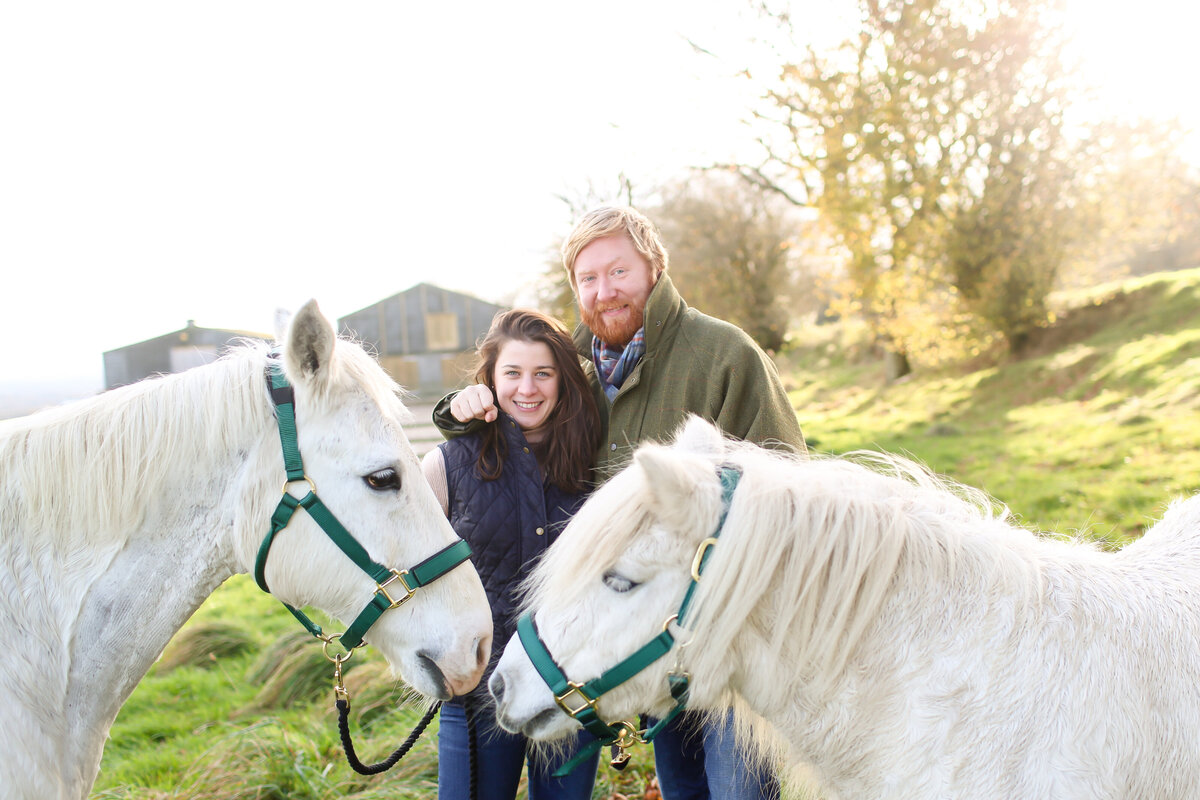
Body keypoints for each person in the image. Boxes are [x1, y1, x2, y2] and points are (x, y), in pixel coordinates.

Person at [437, 206, 806, 800]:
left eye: (619, 272)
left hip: (727, 630)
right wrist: (462, 407)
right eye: (588, 278)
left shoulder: (723, 354)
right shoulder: (572, 367)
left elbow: (789, 486)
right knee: (682, 785)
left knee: (738, 789)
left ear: (654, 269)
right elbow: (515, 405)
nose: (604, 292)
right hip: (642, 627)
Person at [422, 309, 604, 800]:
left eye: (543, 373)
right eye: (513, 373)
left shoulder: (596, 462)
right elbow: (408, 565)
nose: (528, 388)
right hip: (477, 697)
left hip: (568, 688)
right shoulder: (447, 464)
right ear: (490, 379)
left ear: (563, 380)